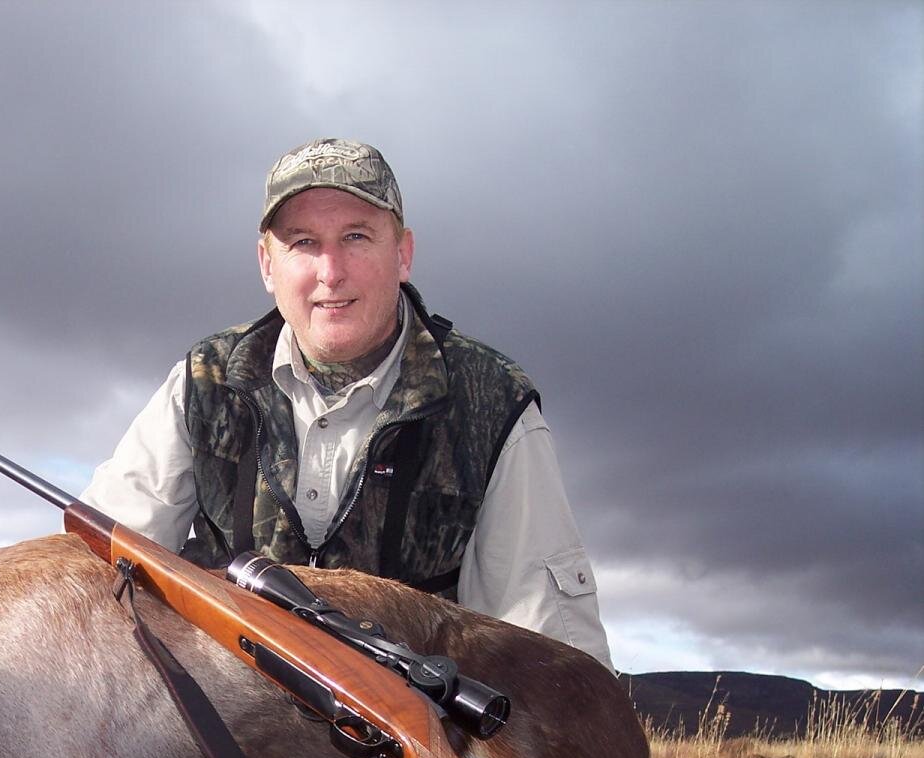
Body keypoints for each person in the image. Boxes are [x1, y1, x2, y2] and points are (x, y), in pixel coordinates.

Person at [82, 138, 613, 670]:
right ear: (268, 264)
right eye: (303, 242)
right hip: (221, 730)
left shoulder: (493, 404)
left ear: (402, 254)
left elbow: (557, 661)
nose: (330, 272)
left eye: (356, 237)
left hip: (419, 736)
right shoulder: (204, 382)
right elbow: (93, 576)